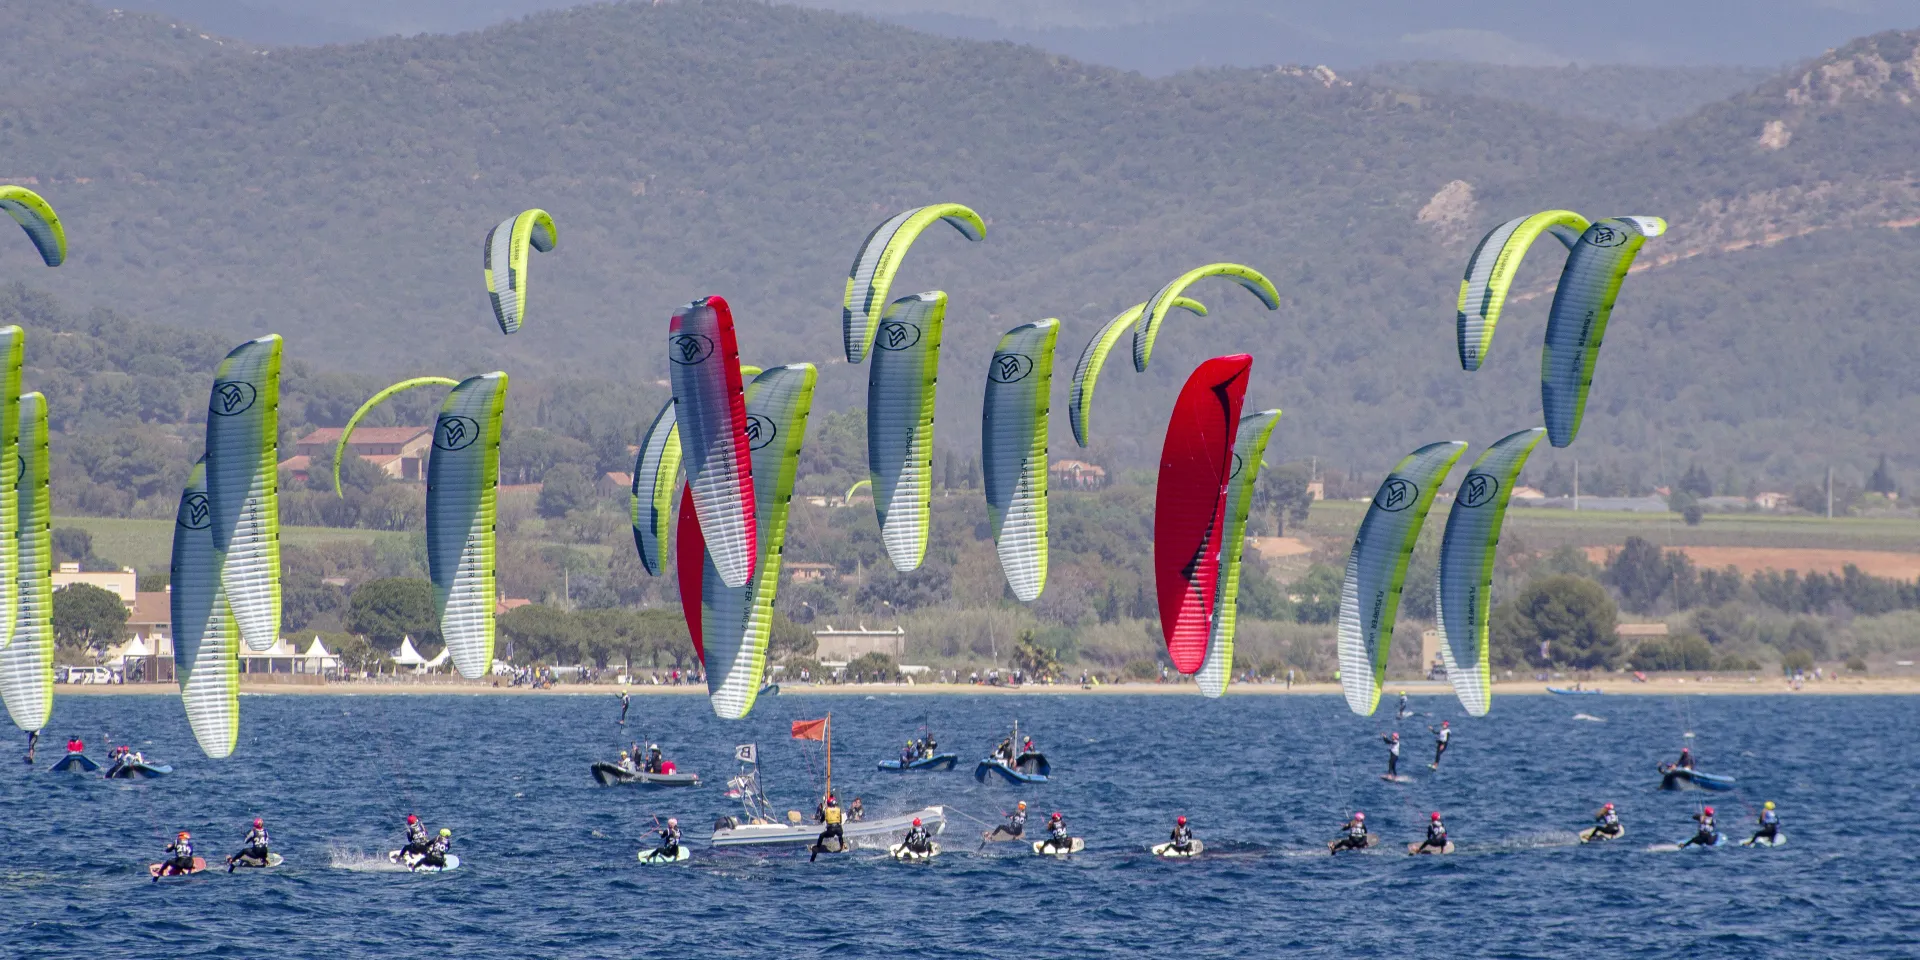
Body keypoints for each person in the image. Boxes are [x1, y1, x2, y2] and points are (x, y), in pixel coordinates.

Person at [810, 794, 844, 861]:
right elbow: (840, 820)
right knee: (840, 835)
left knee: (821, 835)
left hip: (831, 829)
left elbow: (822, 820)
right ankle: (841, 846)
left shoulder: (826, 810)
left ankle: (818, 847)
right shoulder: (838, 809)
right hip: (839, 829)